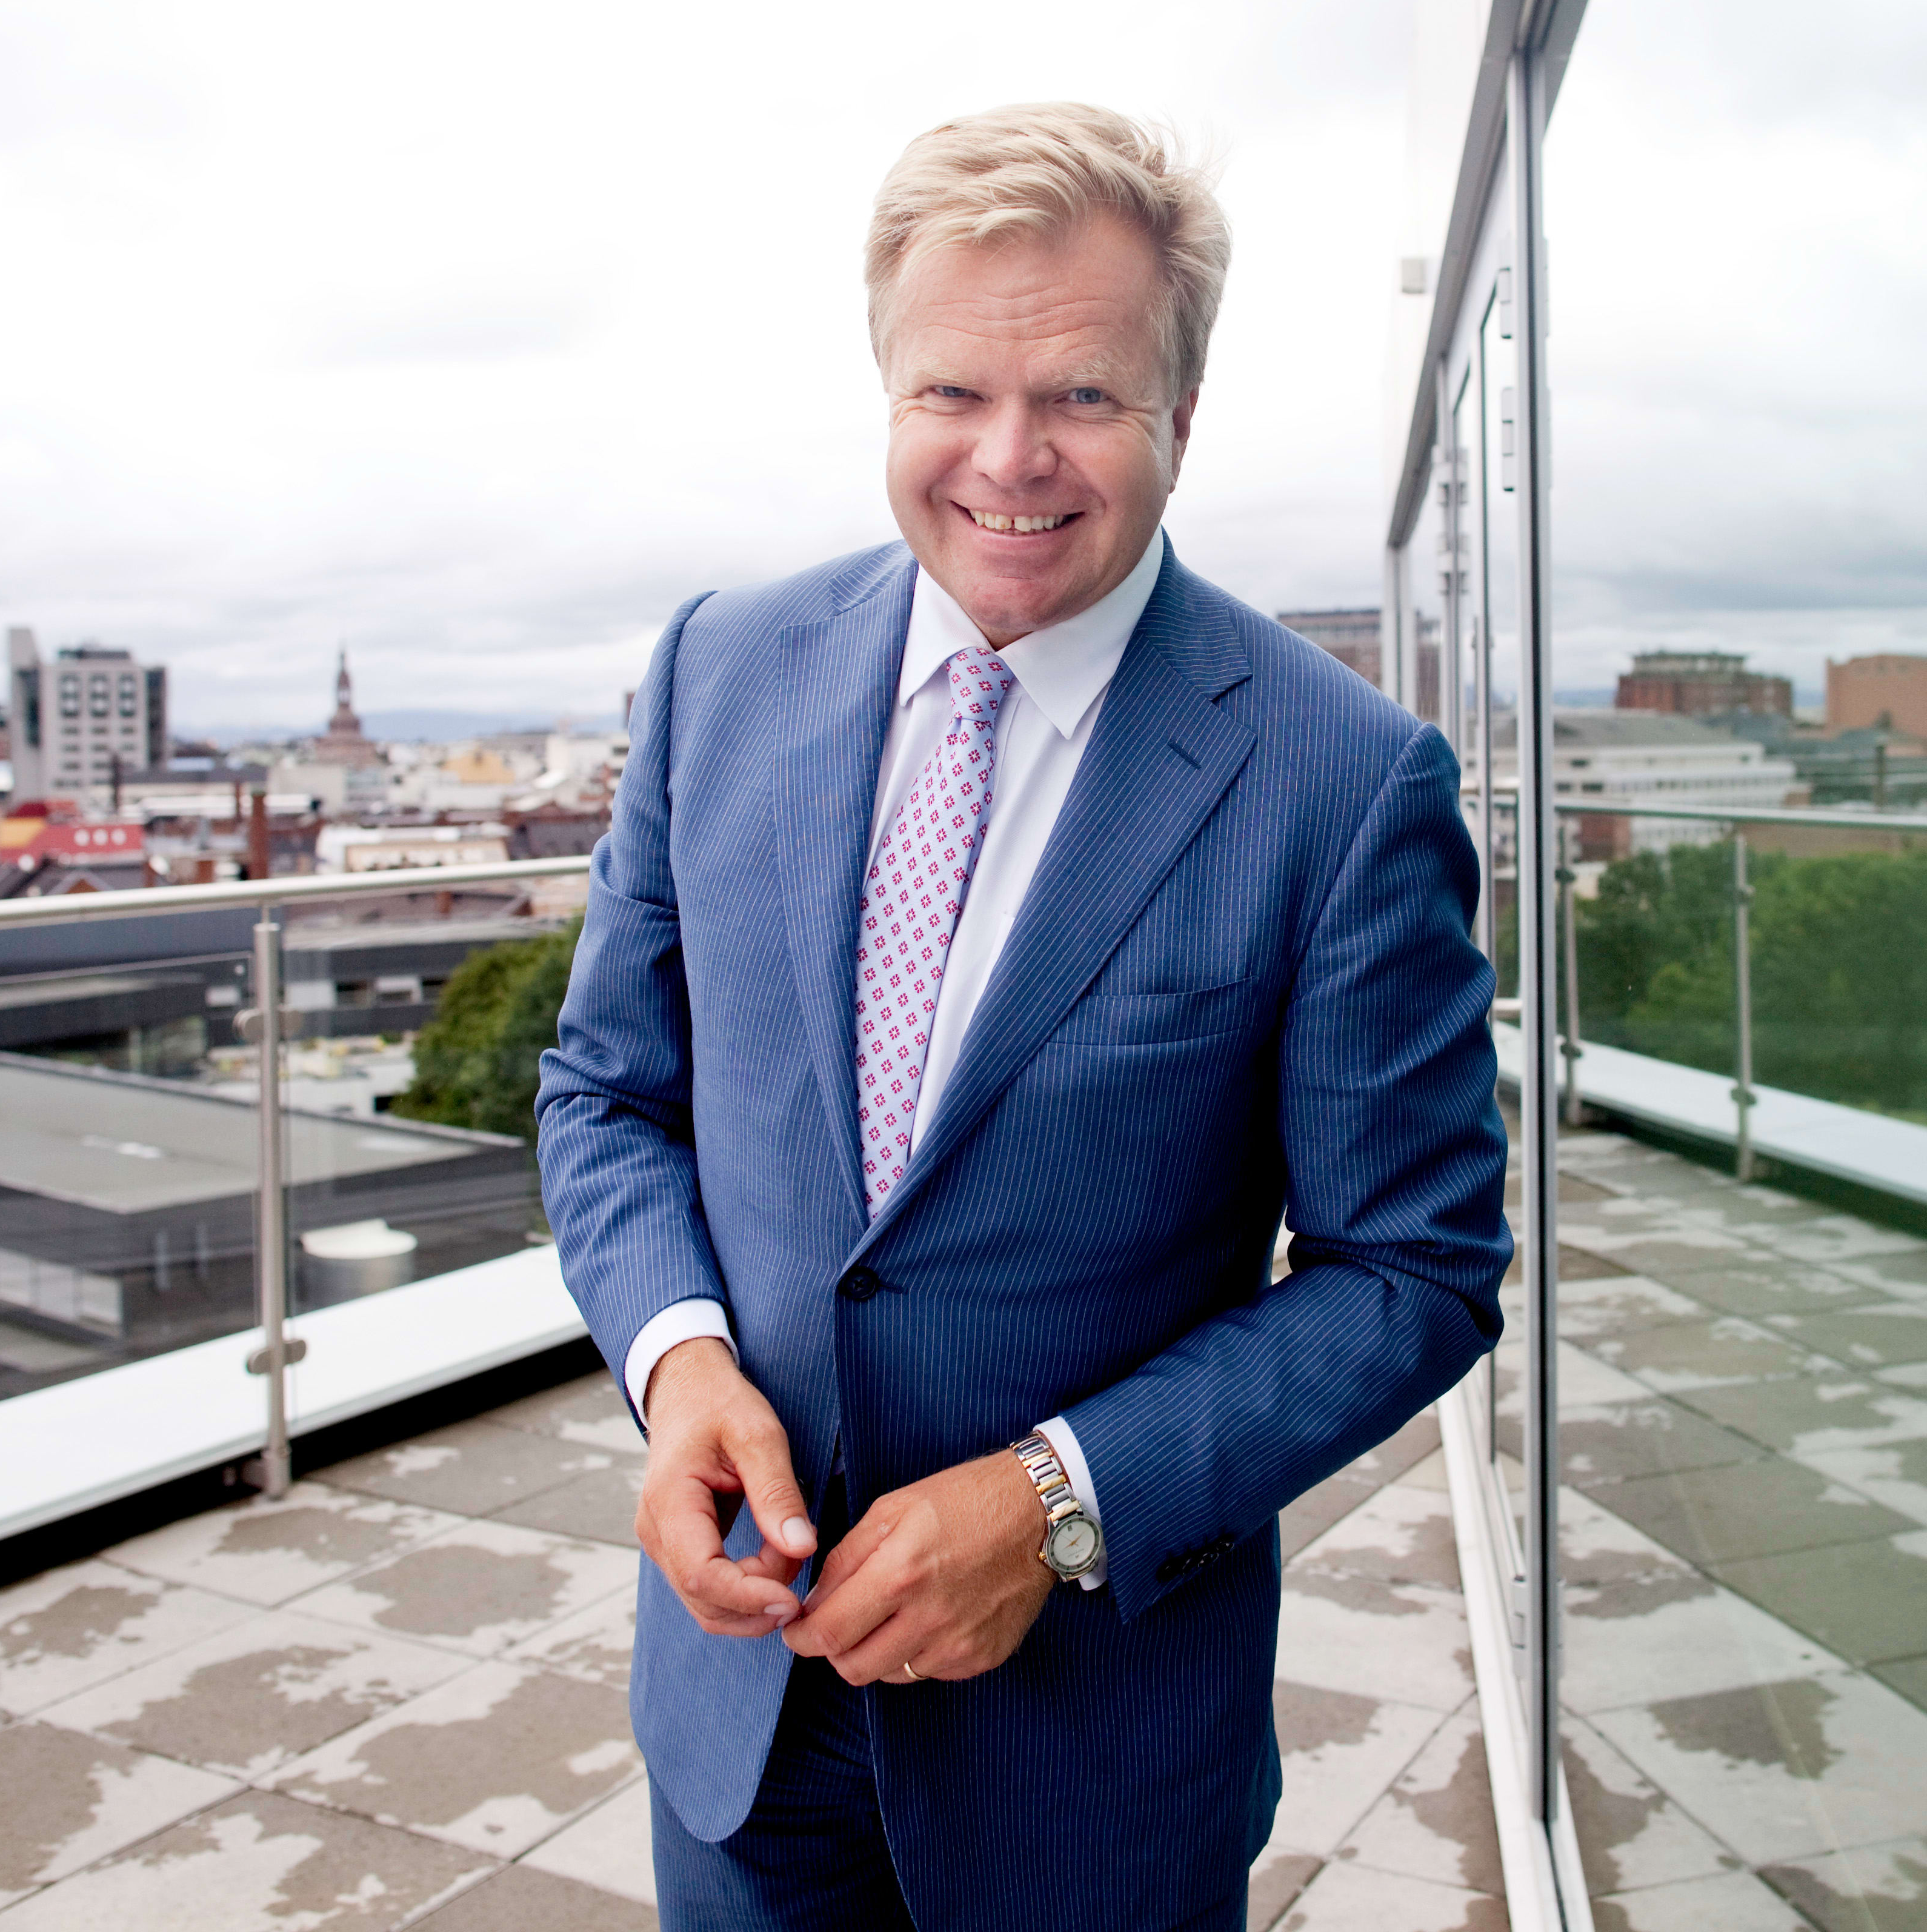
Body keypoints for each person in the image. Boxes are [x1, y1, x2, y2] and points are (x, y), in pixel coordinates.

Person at [534, 102, 1512, 1930]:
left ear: (1181, 417)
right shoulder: (715, 672)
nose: (1008, 459)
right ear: (886, 391)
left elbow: (1417, 1268)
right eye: (952, 393)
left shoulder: (1343, 781)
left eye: (1081, 395)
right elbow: (608, 1093)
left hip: (1090, 1758)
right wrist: (679, 1368)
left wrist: (1059, 1502)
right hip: (741, 1713)